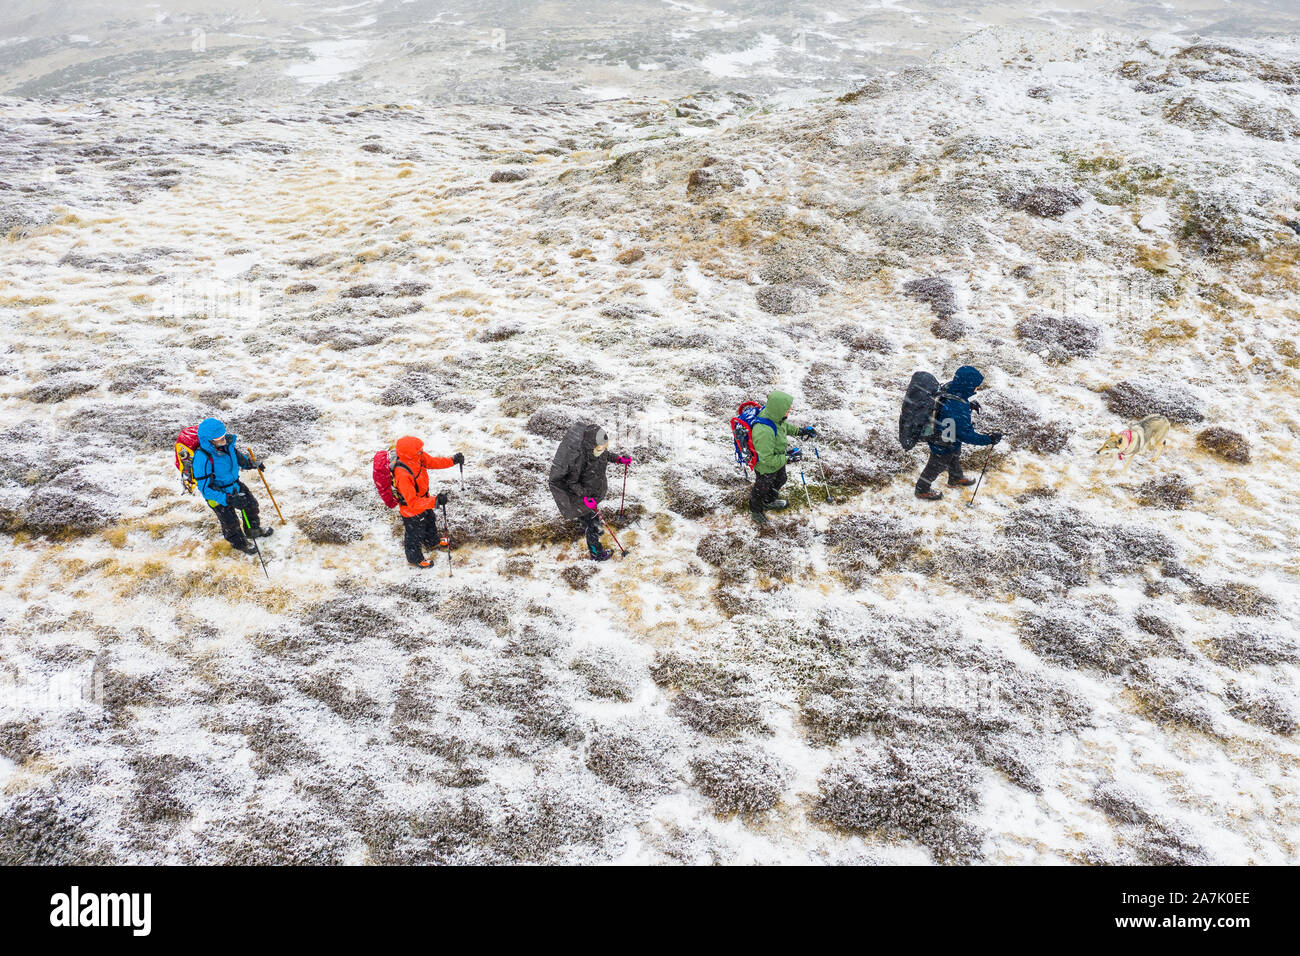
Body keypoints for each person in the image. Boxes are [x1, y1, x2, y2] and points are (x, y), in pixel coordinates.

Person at [915, 365, 1002, 501]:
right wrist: (989, 439)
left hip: (948, 436)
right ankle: (922, 489)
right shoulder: (957, 407)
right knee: (936, 466)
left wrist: (968, 405)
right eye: (975, 386)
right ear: (967, 386)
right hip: (942, 442)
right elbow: (966, 435)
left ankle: (955, 478)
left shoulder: (952, 389)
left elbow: (952, 404)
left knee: (954, 455)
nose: (976, 389)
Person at [548, 422, 630, 561]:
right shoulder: (580, 459)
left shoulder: (598, 450)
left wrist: (618, 459)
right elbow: (571, 482)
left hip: (592, 492)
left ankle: (584, 524)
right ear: (592, 444)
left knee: (589, 520)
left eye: (604, 446)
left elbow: (605, 454)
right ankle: (596, 553)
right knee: (592, 524)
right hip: (582, 497)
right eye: (600, 446)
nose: (603, 449)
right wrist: (585, 497)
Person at [193, 417, 271, 554]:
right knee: (230, 522)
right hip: (218, 495)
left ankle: (253, 530)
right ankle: (239, 543)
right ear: (208, 441)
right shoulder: (202, 458)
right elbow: (205, 489)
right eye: (219, 439)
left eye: (223, 436)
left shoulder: (228, 446)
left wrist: (252, 464)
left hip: (235, 485)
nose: (224, 440)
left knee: (251, 506)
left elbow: (240, 459)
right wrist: (228, 499)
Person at [392, 436, 463, 568]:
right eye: (419, 450)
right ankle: (414, 558)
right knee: (414, 534)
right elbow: (412, 502)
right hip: (411, 511)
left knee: (430, 521)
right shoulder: (402, 474)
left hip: (424, 500)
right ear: (410, 453)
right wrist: (435, 501)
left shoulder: (417, 457)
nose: (422, 451)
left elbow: (433, 462)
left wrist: (452, 461)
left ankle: (432, 542)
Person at [748, 389, 816, 525]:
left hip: (777, 459)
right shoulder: (763, 431)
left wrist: (799, 431)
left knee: (781, 478)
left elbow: (783, 426)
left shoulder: (776, 417)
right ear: (778, 409)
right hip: (765, 467)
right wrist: (787, 458)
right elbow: (766, 459)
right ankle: (755, 510)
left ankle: (769, 501)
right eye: (787, 408)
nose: (789, 409)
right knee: (761, 488)